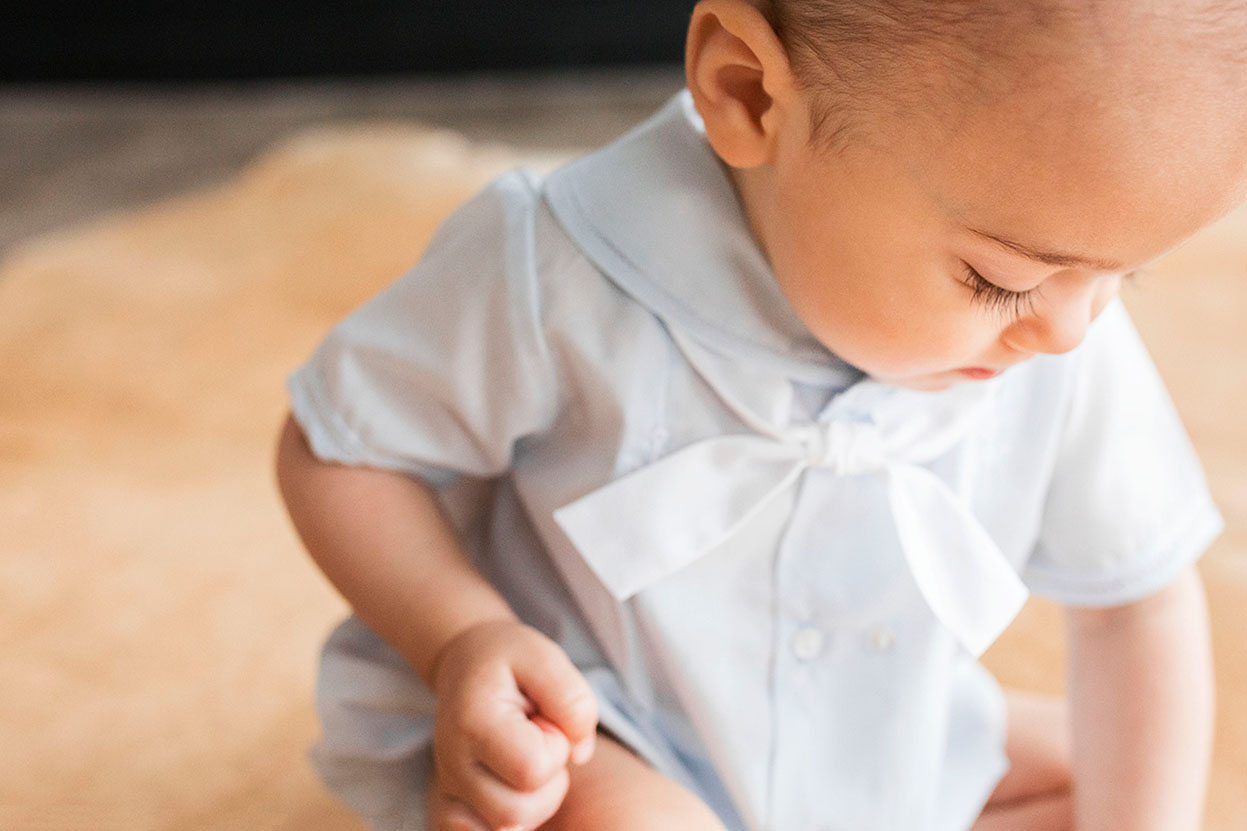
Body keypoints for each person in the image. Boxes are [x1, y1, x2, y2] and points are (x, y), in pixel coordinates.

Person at [275, 1, 1247, 829]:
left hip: (879, 738)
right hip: (609, 732)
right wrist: (458, 638)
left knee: (1124, 770)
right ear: (745, 94)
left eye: (1126, 275)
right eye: (993, 279)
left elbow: (1136, 604)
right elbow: (340, 450)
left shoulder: (1057, 322)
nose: (1069, 332)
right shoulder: (565, 270)